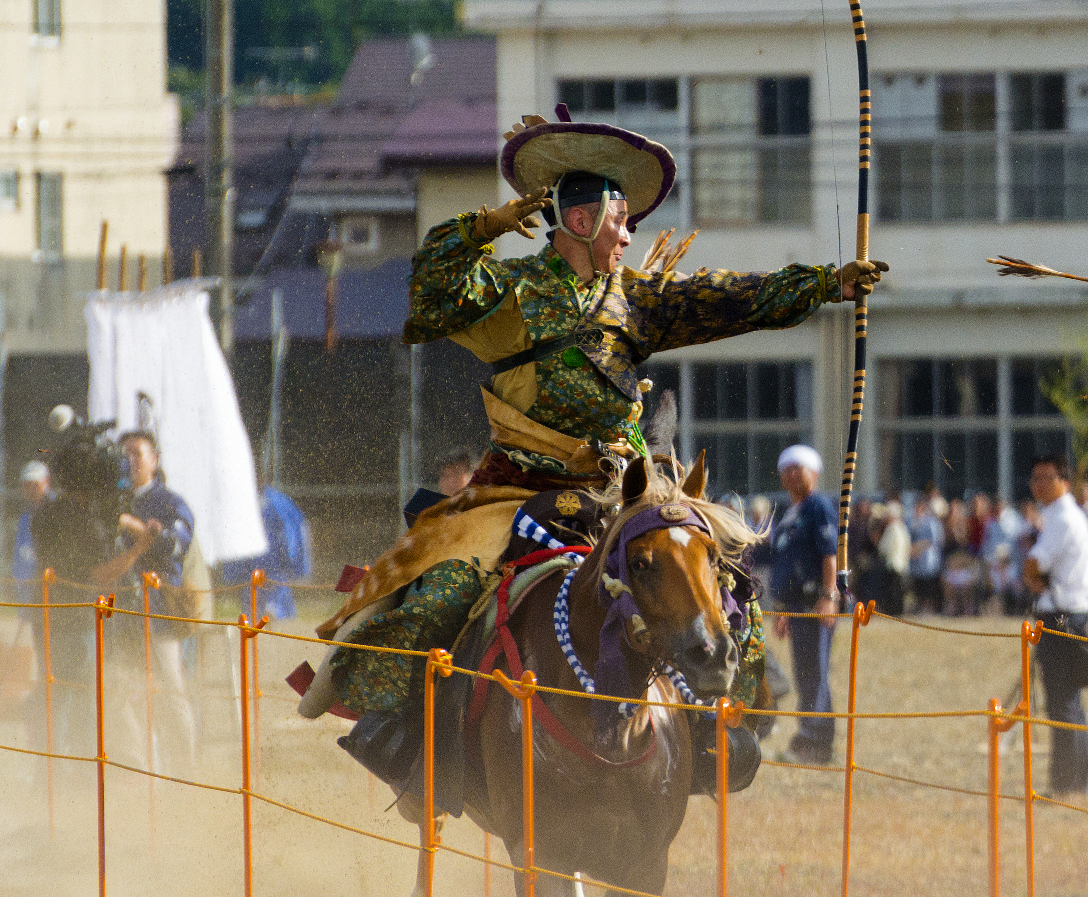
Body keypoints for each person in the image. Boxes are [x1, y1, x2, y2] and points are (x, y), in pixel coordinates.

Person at [299, 105, 885, 788]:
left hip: (625, 489)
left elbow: (726, 298)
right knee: (442, 590)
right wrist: (485, 226)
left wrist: (826, 285)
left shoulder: (633, 299)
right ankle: (404, 736)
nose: (630, 236)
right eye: (620, 221)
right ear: (579, 221)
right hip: (521, 490)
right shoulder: (515, 291)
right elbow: (432, 287)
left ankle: (716, 730)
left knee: (725, 584)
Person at [1021, 456, 1088, 795]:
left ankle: (1066, 785)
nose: (1038, 484)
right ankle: (1074, 782)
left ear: (1064, 482)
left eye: (1047, 477)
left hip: (1062, 616)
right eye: (1035, 477)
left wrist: (1033, 578)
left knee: (1062, 702)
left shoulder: (1062, 517)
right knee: (1068, 701)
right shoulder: (1064, 515)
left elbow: (1033, 563)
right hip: (1072, 613)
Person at [118, 430, 198, 774]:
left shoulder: (170, 502)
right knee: (123, 692)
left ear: (155, 459)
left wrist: (134, 526)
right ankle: (141, 771)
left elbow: (174, 545)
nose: (131, 460)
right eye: (125, 454)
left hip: (161, 612)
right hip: (122, 613)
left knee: (172, 690)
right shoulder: (114, 500)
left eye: (138, 453)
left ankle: (185, 772)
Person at [760, 443, 842, 765]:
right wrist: (782, 611)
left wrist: (829, 595)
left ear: (815, 473)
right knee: (804, 672)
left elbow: (830, 554)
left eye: (799, 468)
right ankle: (809, 737)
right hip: (795, 607)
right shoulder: (788, 513)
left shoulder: (817, 506)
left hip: (814, 603)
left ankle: (816, 742)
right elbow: (783, 562)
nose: (793, 474)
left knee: (814, 672)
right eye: (787, 469)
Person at [219, 476, 313, 621]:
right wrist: (232, 575)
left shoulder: (279, 505)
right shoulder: (241, 504)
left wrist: (296, 567)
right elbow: (234, 541)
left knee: (278, 618)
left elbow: (293, 537)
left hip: (275, 576)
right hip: (251, 577)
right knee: (253, 619)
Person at [908, 493, 947, 614]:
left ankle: (931, 608)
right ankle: (921, 608)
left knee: (930, 585)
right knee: (919, 586)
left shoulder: (931, 521)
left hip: (929, 560)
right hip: (916, 562)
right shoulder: (912, 521)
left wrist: (918, 547)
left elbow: (935, 540)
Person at [12, 461, 48, 587]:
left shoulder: (55, 514)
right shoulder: (24, 519)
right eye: (27, 485)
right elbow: (19, 559)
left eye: (35, 485)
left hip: (48, 587)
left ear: (46, 483)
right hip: (27, 589)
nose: (31, 490)